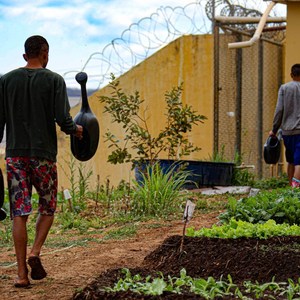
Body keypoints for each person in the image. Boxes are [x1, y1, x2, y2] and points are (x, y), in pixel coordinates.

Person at [0, 35, 83, 288]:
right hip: (43, 157)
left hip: (14, 156)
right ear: (45, 53)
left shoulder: (5, 81)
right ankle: (35, 252)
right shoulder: (54, 80)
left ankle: (22, 276)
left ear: (25, 56)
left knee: (19, 213)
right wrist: (76, 130)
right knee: (47, 208)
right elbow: (62, 118)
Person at [269, 63, 300, 187]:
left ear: (291, 75)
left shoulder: (284, 88)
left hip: (287, 131)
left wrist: (274, 129)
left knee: (291, 160)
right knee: (299, 162)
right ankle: (295, 189)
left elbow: (279, 110)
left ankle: (289, 187)